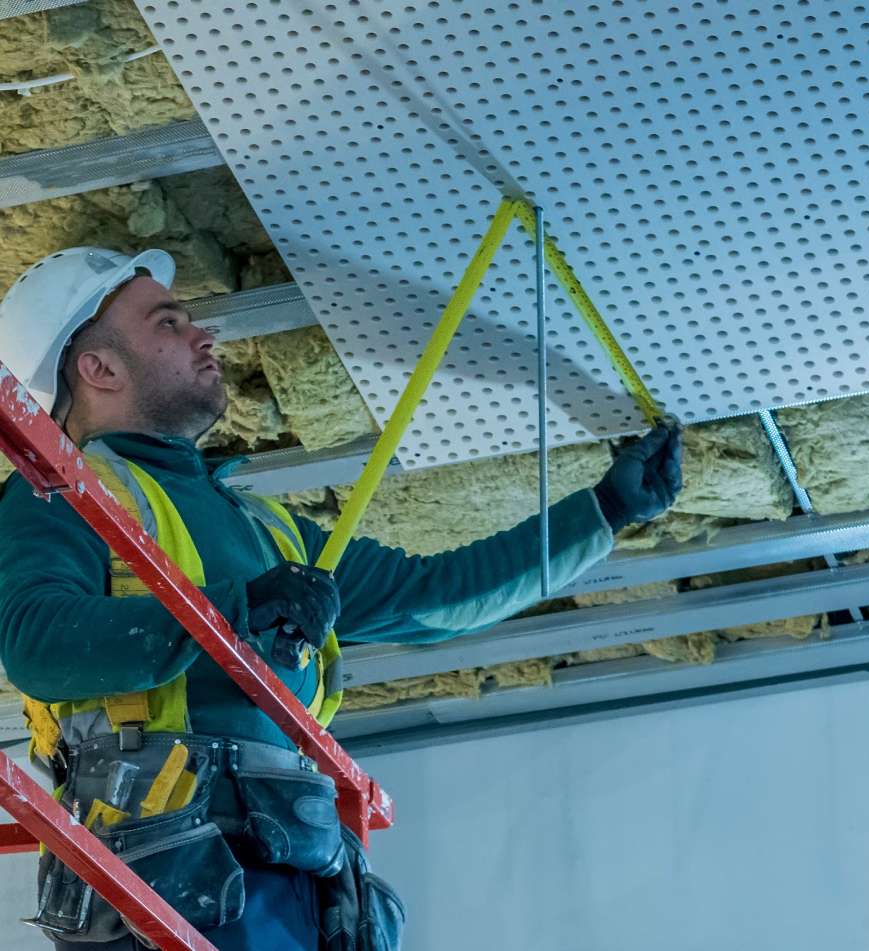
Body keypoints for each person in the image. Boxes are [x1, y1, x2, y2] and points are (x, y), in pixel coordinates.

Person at [0, 247, 683, 951]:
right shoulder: (57, 493)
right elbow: (36, 641)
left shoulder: (264, 527)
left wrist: (602, 512)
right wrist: (237, 609)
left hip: (293, 871)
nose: (205, 335)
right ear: (100, 368)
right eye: (169, 323)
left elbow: (431, 594)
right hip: (173, 873)